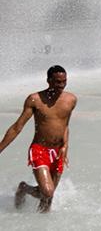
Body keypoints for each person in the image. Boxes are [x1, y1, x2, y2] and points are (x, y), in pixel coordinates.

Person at [0, 65, 77, 212]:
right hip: (39, 150)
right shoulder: (35, 99)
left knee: (48, 199)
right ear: (48, 81)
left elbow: (65, 125)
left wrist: (65, 145)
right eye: (57, 82)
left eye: (64, 81)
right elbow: (17, 127)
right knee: (47, 192)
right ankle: (24, 188)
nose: (61, 85)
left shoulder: (71, 99)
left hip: (58, 151)